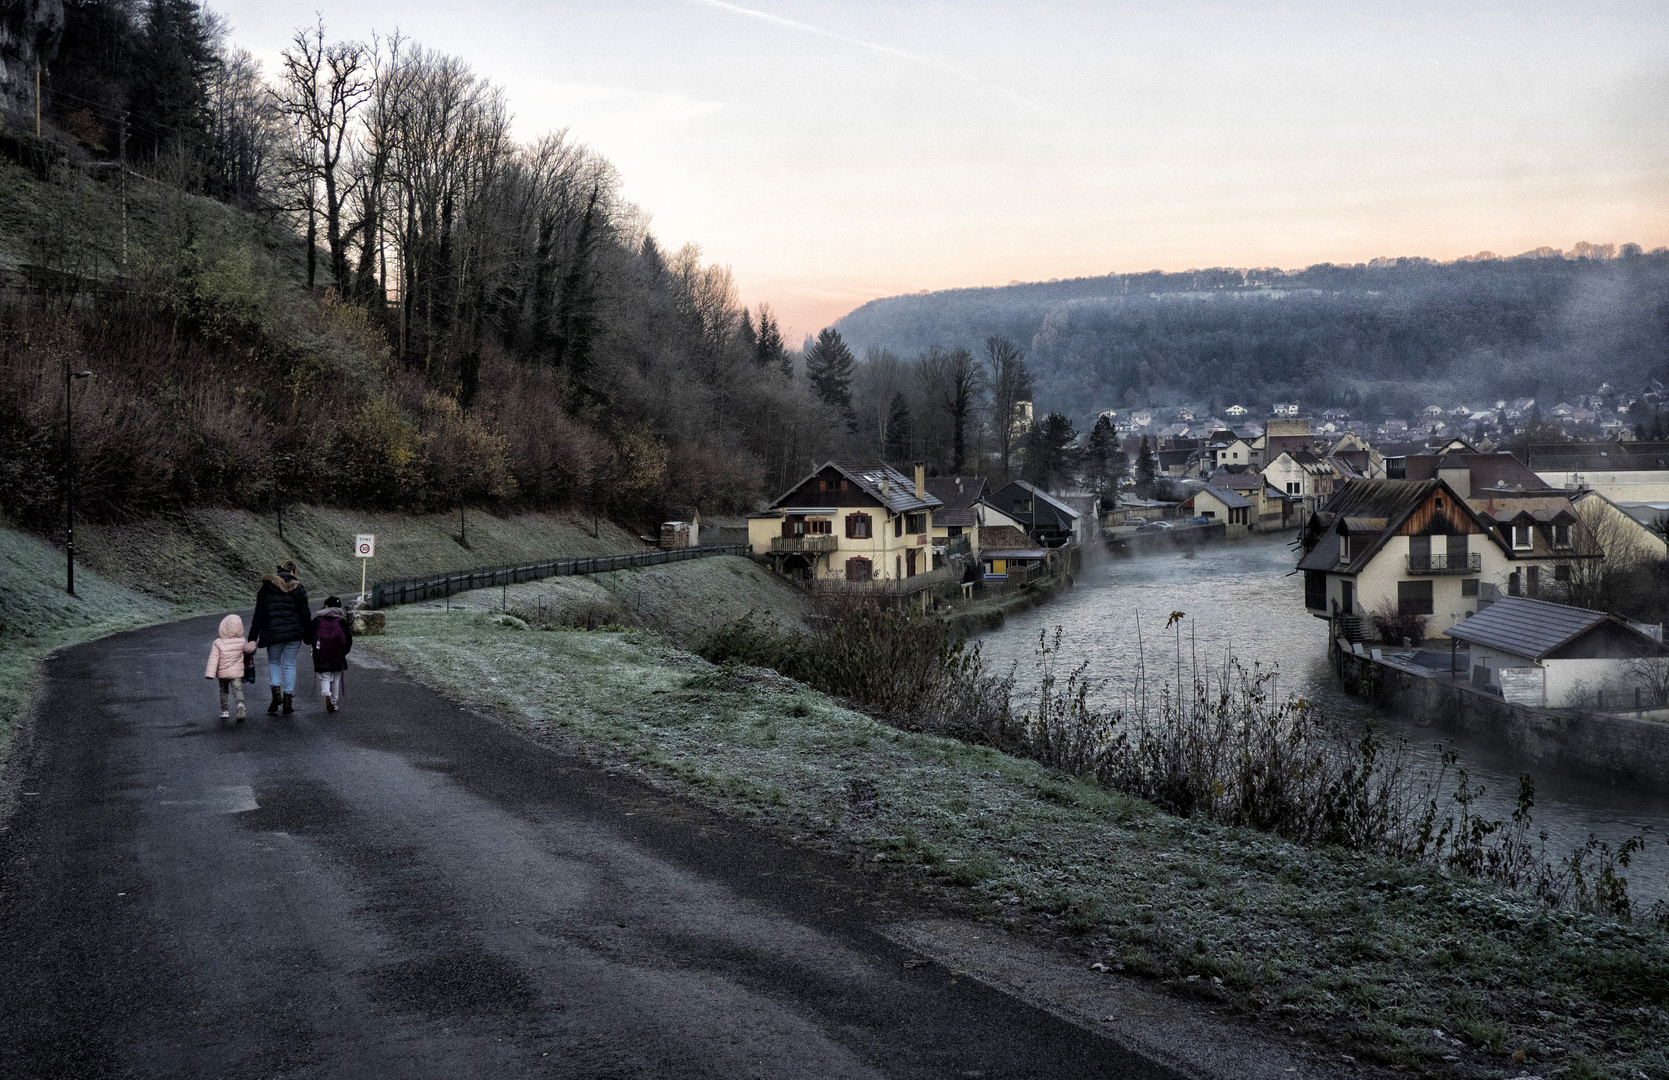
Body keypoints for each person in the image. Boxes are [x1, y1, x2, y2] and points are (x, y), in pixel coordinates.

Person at [249, 561, 311, 715]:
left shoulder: (266, 588)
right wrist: (309, 634)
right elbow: (305, 614)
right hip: (294, 634)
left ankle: (276, 694)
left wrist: (252, 637)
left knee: (274, 662)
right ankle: (288, 701)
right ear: (293, 573)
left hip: (273, 633)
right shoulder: (299, 589)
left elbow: (259, 615)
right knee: (290, 664)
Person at [204, 614, 258, 722]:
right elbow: (249, 650)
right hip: (236, 673)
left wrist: (210, 674)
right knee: (238, 689)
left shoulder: (217, 643)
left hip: (223, 674)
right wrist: (253, 643)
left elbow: (213, 659)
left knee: (223, 690)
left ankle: (225, 710)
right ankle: (240, 704)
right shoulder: (242, 641)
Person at [308, 596, 353, 713]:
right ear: (339, 607)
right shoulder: (342, 621)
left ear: (326, 606)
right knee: (336, 677)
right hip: (338, 654)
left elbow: (307, 638)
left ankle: (326, 694)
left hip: (321, 654)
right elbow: (349, 639)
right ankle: (334, 701)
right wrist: (345, 652)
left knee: (325, 676)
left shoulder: (317, 620)